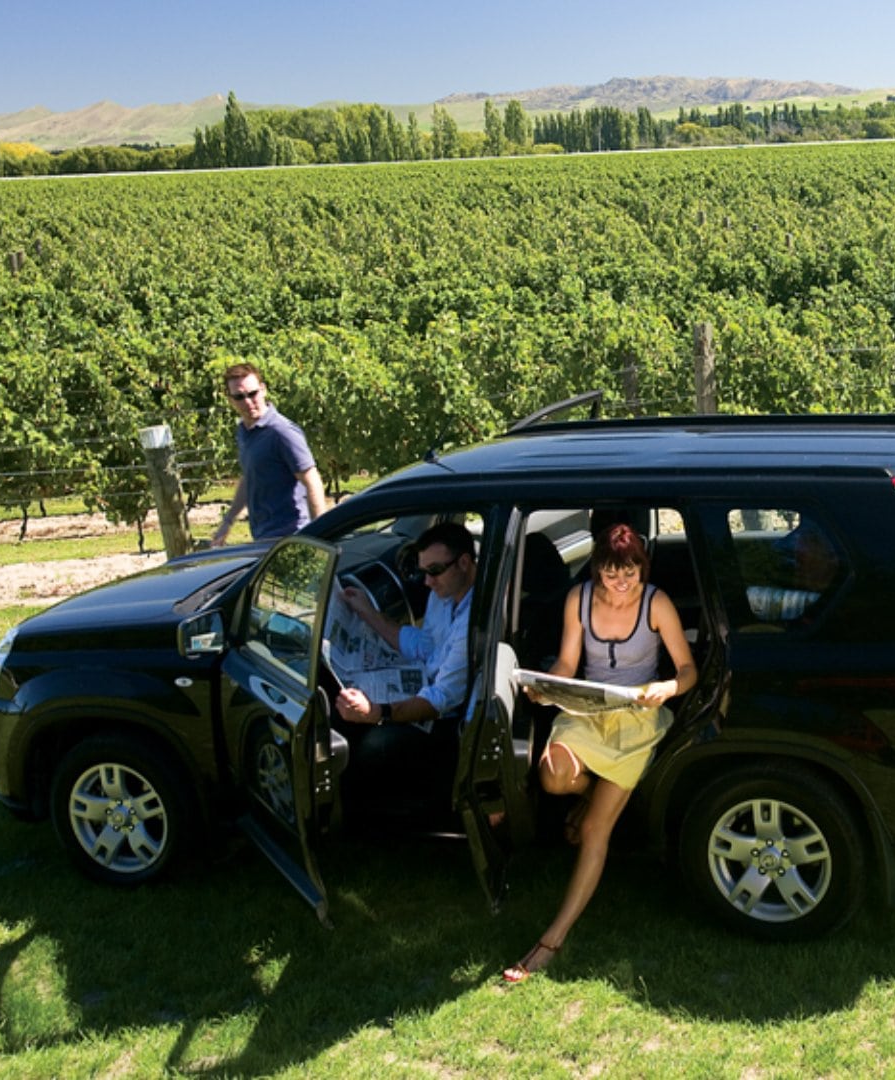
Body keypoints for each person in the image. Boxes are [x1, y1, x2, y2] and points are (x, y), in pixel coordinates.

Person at [504, 522, 697, 983]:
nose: (621, 583)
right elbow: (569, 663)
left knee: (594, 832)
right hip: (587, 712)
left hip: (636, 719)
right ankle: (594, 793)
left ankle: (552, 939)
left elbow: (688, 668)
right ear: (597, 570)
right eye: (612, 574)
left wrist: (666, 687)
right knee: (552, 776)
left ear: (641, 568)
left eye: (630, 572)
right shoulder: (579, 600)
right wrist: (548, 685)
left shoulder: (657, 602)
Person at [332, 522, 476, 814]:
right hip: (426, 682)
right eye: (424, 572)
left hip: (452, 718)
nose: (427, 583)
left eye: (435, 571)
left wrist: (378, 712)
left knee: (375, 743)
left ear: (464, 562)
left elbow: (440, 700)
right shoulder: (443, 595)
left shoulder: (472, 622)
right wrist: (368, 614)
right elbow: (425, 645)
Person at [212, 363, 328, 545]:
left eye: (252, 394)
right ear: (230, 399)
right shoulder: (244, 431)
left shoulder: (281, 432)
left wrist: (321, 536)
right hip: (264, 537)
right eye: (239, 397)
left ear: (263, 389)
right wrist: (228, 521)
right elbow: (250, 477)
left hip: (291, 537)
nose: (248, 402)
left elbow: (312, 480)